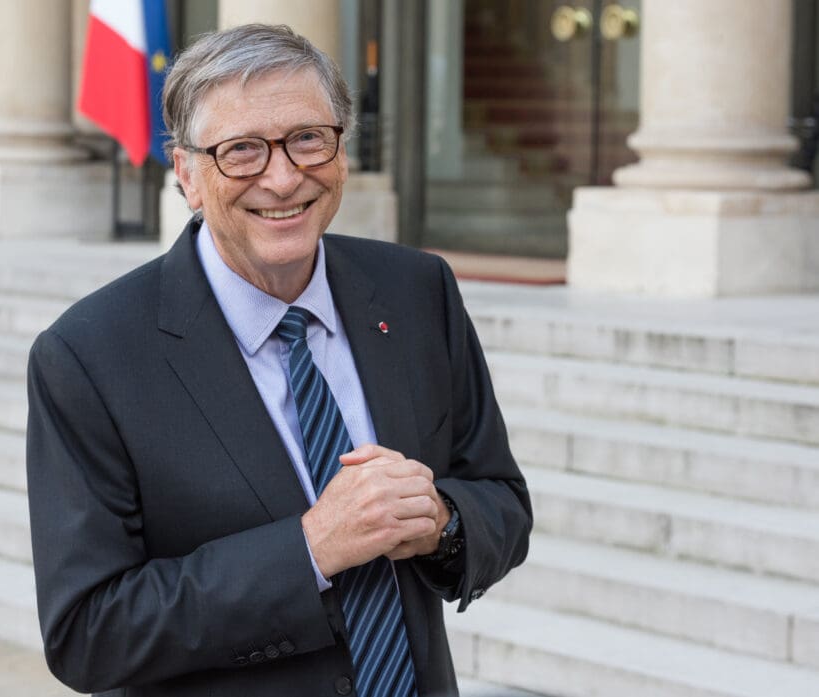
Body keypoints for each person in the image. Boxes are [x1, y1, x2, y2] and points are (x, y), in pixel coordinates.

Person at [26, 23, 531, 697]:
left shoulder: (417, 291)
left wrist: (440, 522)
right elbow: (89, 632)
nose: (284, 176)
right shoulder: (88, 356)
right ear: (187, 175)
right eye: (242, 151)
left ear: (342, 149)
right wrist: (312, 548)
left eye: (307, 138)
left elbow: (502, 500)